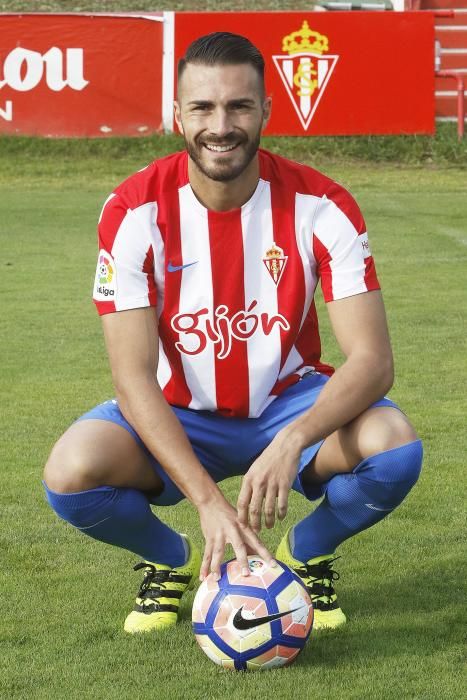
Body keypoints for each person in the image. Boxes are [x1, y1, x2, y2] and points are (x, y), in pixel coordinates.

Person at [43, 32, 422, 634]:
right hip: (180, 410)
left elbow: (372, 360)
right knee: (71, 471)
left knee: (395, 445)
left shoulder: (323, 205)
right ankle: (172, 563)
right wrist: (208, 504)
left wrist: (294, 438)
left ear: (266, 111)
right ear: (177, 115)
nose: (221, 126)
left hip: (287, 401)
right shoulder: (133, 211)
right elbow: (132, 377)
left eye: (240, 106)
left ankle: (306, 552)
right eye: (203, 107)